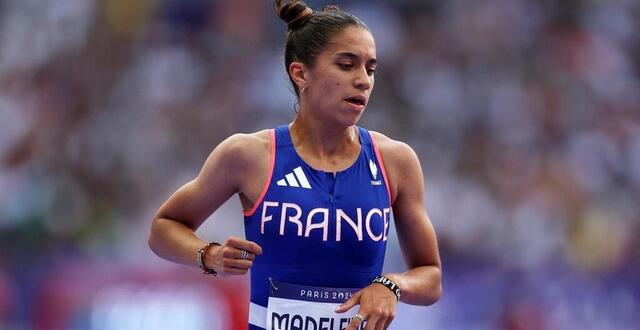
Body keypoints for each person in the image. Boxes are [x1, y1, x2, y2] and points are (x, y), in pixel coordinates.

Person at [148, 1, 442, 329]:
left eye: (370, 69)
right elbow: (163, 228)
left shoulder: (395, 160)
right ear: (300, 73)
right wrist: (208, 255)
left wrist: (391, 285)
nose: (363, 80)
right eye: (346, 65)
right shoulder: (249, 154)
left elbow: (430, 277)